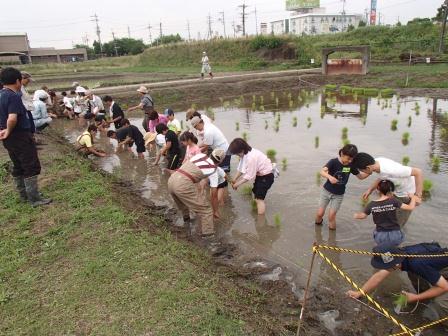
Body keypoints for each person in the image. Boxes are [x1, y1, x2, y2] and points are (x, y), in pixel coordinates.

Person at [346, 243, 448, 321]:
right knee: (413, 273)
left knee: (440, 303)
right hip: (438, 261)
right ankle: (426, 295)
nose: (384, 269)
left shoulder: (417, 264)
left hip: (442, 268)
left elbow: (444, 287)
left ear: (396, 264)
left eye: (385, 266)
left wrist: (415, 297)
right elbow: (378, 276)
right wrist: (360, 292)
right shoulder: (400, 254)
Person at [0, 67, 51, 206]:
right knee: (30, 165)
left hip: (8, 139)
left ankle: (24, 196)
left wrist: (4, 131)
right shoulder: (13, 96)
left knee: (18, 165)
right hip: (19, 136)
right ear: (17, 81)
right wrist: (9, 130)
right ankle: (34, 199)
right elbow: (12, 118)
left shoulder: (1, 95)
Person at [351, 153, 423, 228]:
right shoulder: (376, 163)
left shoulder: (391, 170)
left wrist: (417, 196)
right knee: (389, 218)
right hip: (394, 191)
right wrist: (370, 190)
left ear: (368, 168)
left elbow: (418, 172)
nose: (362, 172)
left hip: (406, 194)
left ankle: (396, 235)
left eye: (362, 170)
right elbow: (381, 177)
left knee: (398, 223)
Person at [167, 149, 225, 237]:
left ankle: (187, 223)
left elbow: (192, 172)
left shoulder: (200, 156)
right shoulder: (212, 170)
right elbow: (213, 195)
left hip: (172, 179)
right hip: (182, 185)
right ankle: (208, 237)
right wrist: (215, 211)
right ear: (221, 161)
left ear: (211, 154)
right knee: (206, 210)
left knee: (183, 204)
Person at [314, 144, 368, 230]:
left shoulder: (351, 166)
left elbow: (360, 177)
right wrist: (330, 177)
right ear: (342, 154)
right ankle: (317, 231)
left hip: (338, 195)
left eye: (352, 159)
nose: (350, 161)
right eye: (348, 158)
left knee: (331, 216)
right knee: (320, 213)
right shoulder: (333, 162)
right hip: (326, 191)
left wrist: (369, 172)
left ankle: (332, 239)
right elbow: (322, 171)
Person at [354, 180, 419, 246]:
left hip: (381, 234)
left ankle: (385, 255)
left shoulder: (372, 204)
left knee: (382, 250)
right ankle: (394, 254)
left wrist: (356, 215)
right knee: (395, 249)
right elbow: (410, 207)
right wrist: (413, 198)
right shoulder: (394, 201)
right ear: (391, 191)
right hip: (395, 233)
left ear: (378, 189)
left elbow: (363, 216)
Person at [228, 138, 274, 215]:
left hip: (266, 177)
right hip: (261, 176)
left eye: (237, 153)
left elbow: (249, 176)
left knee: (259, 199)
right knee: (256, 193)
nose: (237, 155)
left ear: (242, 150)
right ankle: (258, 211)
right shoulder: (246, 154)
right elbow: (241, 168)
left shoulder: (251, 157)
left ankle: (260, 221)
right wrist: (234, 179)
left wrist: (237, 184)